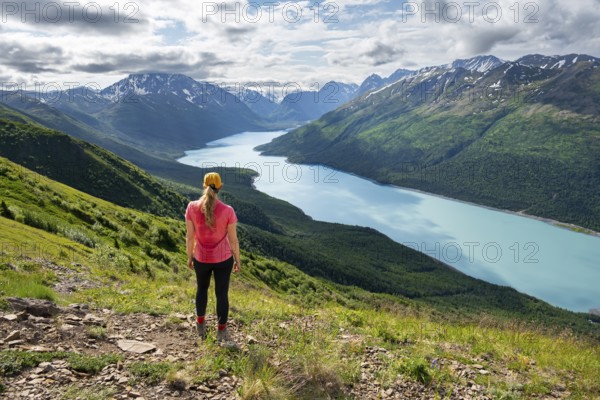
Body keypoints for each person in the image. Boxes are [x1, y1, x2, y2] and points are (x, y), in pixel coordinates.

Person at [185, 172, 240, 343]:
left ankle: (200, 323)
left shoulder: (191, 207)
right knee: (221, 293)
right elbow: (233, 239)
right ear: (220, 187)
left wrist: (190, 256)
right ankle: (221, 330)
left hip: (201, 257)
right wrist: (238, 259)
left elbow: (189, 237)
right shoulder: (228, 210)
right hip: (223, 259)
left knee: (201, 289)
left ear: (204, 185)